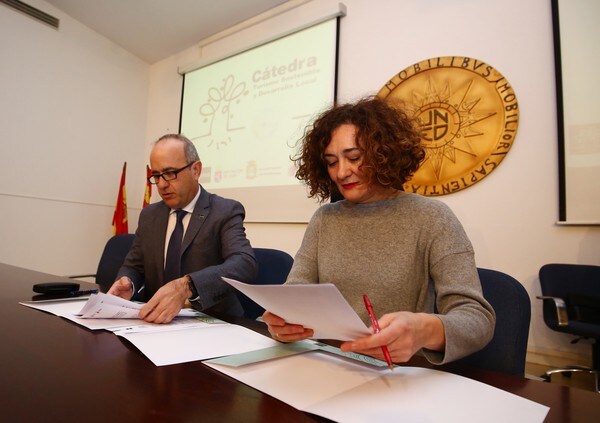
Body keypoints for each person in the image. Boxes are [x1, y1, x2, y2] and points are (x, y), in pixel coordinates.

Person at [263, 97, 495, 365]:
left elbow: (477, 319)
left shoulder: (432, 217)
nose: (341, 172)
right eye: (331, 162)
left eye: (354, 157)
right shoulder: (325, 219)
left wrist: (424, 330)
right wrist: (283, 322)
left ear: (384, 153)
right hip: (326, 363)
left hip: (398, 370)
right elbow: (296, 292)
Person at [108, 134, 257, 323]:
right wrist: (128, 281)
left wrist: (187, 285)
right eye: (156, 175)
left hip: (212, 323)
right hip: (157, 323)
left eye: (170, 173)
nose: (161, 184)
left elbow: (244, 264)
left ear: (195, 170)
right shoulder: (149, 215)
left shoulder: (224, 211)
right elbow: (134, 266)